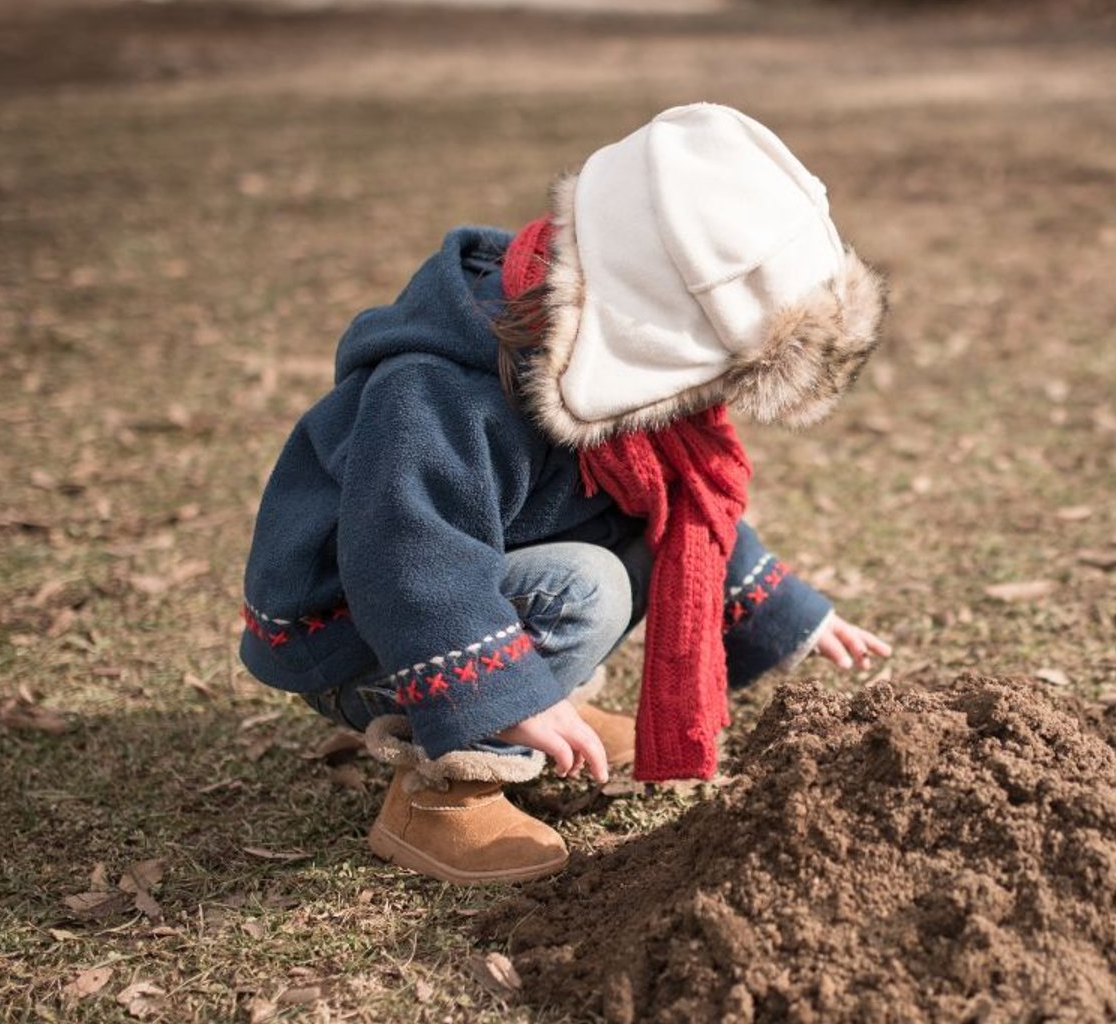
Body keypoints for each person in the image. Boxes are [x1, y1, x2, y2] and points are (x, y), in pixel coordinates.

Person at [237, 103, 892, 885]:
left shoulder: (593, 347)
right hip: (357, 629)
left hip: (468, 577)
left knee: (640, 547)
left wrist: (788, 609)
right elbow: (406, 556)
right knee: (587, 588)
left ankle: (534, 700)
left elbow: (679, 508)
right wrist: (501, 693)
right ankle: (446, 791)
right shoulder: (439, 391)